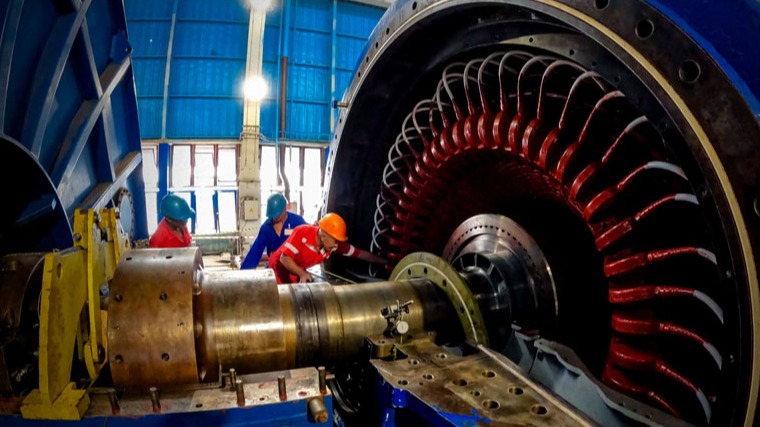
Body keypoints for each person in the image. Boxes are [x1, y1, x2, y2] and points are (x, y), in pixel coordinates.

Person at [268, 212, 387, 284]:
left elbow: (360, 254)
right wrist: (302, 274)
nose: (336, 245)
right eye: (335, 241)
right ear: (323, 235)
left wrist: (386, 262)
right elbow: (285, 259)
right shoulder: (302, 232)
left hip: (294, 274)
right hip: (276, 272)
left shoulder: (332, 245)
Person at [240, 193, 307, 269]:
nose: (275, 218)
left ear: (285, 208)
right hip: (274, 267)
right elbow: (255, 252)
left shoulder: (297, 221)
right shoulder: (266, 228)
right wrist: (243, 273)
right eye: (273, 216)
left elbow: (311, 239)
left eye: (278, 215)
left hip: (295, 267)